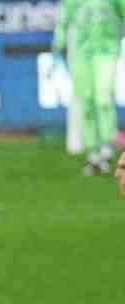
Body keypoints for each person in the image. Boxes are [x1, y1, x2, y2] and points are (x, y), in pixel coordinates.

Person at [53, 0, 125, 176]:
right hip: (82, 54)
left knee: (103, 99)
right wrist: (59, 42)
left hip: (107, 51)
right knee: (87, 103)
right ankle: (93, 153)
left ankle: (106, 149)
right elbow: (64, 19)